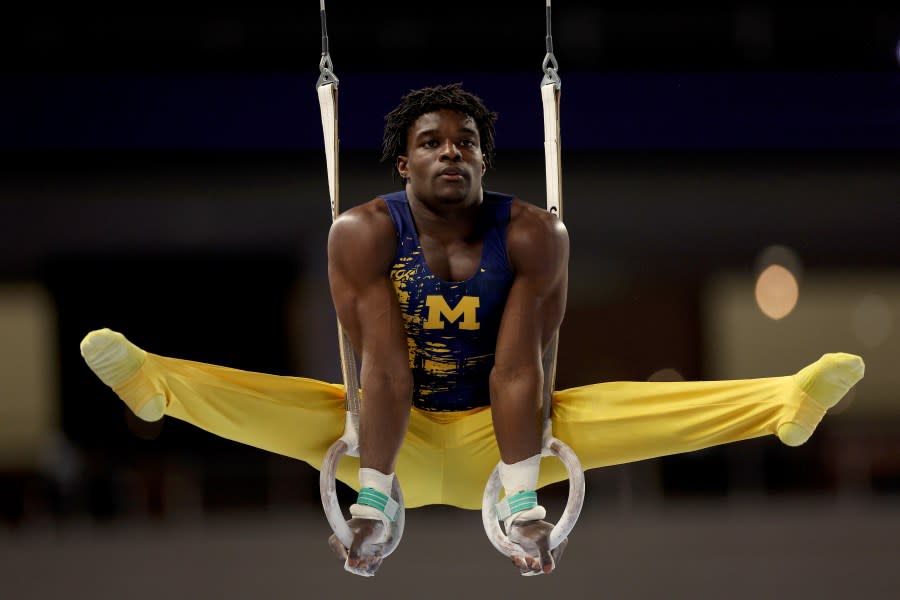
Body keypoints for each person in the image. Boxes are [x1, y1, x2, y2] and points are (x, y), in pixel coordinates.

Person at [80, 83, 865, 578]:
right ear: (403, 164)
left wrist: (522, 499)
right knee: (309, 408)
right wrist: (375, 501)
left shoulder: (532, 234)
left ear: (484, 160)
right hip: (396, 431)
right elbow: (381, 369)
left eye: (466, 142)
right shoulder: (361, 234)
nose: (450, 151)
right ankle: (158, 385)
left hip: (506, 432)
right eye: (432, 142)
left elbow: (519, 369)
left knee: (616, 410)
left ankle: (784, 403)